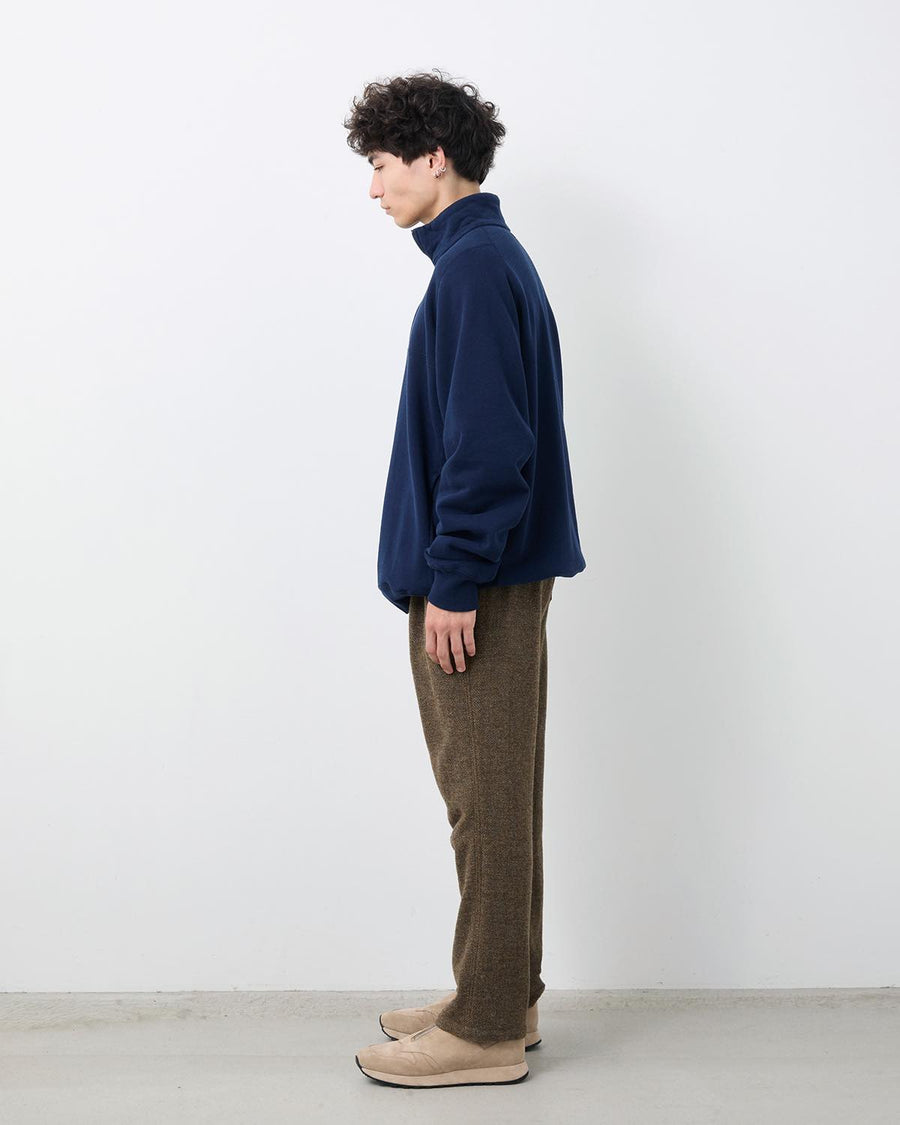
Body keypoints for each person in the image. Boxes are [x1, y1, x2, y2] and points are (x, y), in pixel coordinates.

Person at [343, 69, 587, 1088]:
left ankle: (483, 1030)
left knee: (482, 803)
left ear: (434, 157)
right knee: (498, 797)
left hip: (475, 586)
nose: (373, 187)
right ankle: (501, 993)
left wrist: (453, 580)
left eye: (382, 164)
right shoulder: (482, 260)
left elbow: (489, 446)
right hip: (489, 577)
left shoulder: (476, 269)